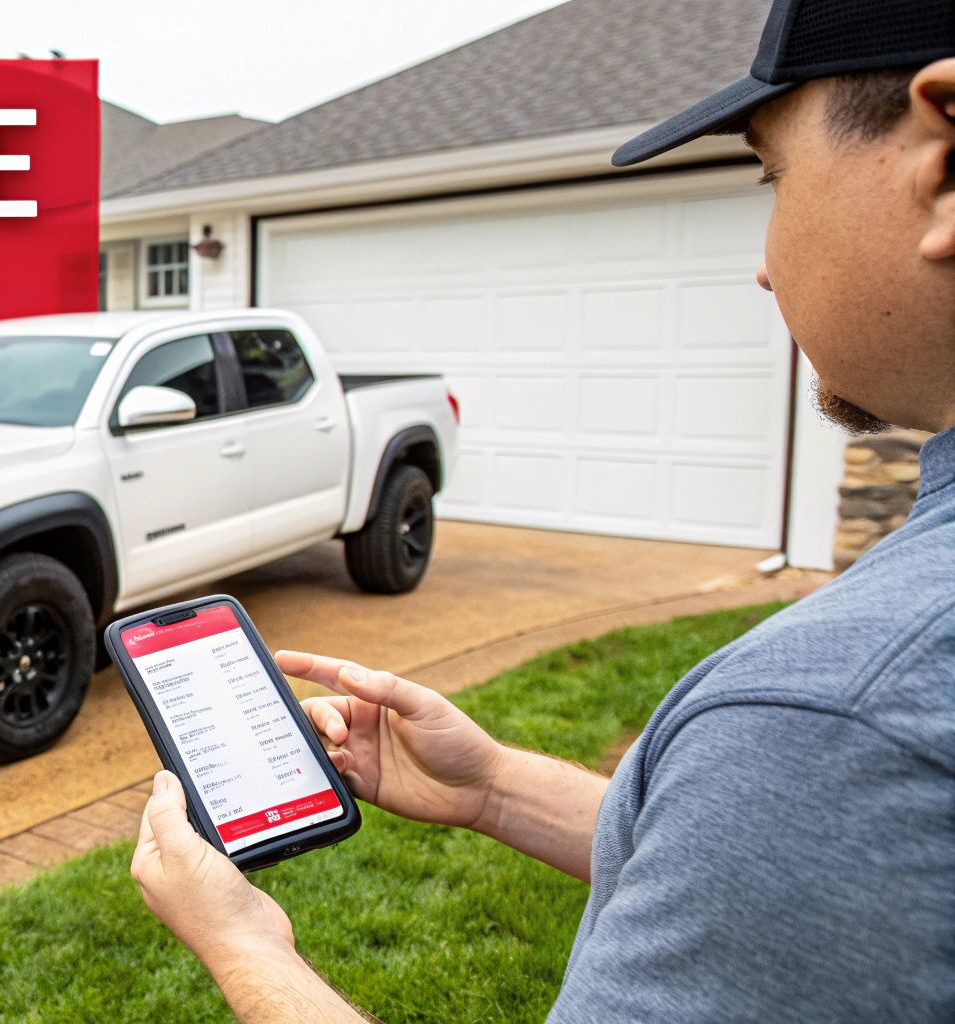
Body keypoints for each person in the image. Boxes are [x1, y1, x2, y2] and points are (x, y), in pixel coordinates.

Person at [130, 0, 955, 1019]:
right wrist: (493, 788)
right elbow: (768, 858)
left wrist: (240, 944)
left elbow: (799, 799)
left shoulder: (832, 718)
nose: (760, 260)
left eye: (769, 175)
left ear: (943, 161)